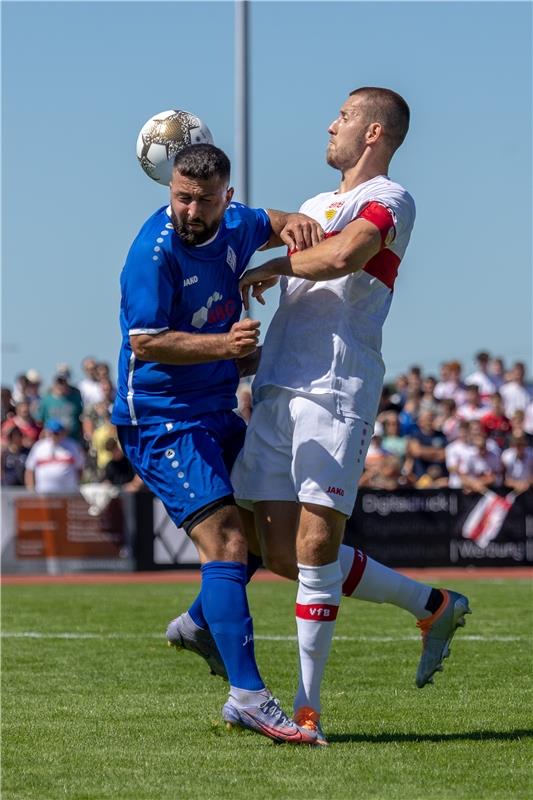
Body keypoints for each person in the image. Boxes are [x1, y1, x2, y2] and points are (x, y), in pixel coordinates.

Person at [229, 88, 471, 743]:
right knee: (270, 547)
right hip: (279, 386)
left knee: (313, 547)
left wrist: (276, 261)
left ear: (371, 132)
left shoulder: (390, 199)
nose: (329, 125)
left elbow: (345, 256)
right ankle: (432, 605)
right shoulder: (312, 205)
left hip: (335, 387)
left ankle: (306, 712)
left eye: (340, 117)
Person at [111, 142, 322, 745]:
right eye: (181, 195)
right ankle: (249, 696)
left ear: (225, 198)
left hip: (216, 411)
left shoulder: (237, 224)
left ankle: (201, 625)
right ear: (169, 189)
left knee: (263, 531)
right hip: (161, 418)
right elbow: (147, 342)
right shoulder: (152, 254)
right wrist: (227, 349)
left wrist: (299, 226)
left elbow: (274, 223)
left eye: (203, 199)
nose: (189, 208)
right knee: (227, 539)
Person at [24, 420, 85, 493]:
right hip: (43, 493)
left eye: (56, 433)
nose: (53, 436)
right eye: (51, 433)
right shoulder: (39, 447)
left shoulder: (72, 446)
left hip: (67, 493)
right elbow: (29, 469)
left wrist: (77, 484)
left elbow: (80, 467)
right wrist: (31, 489)